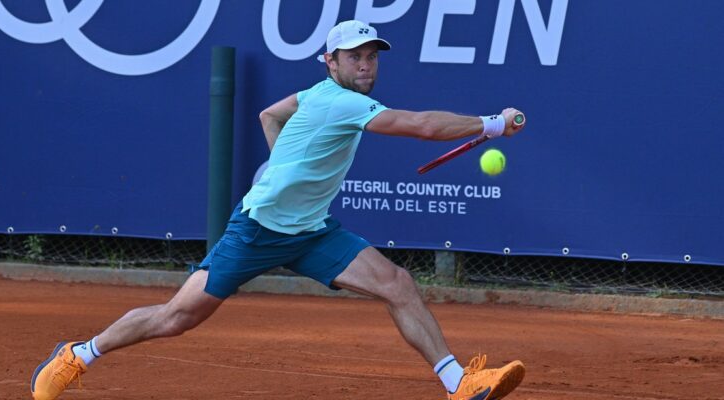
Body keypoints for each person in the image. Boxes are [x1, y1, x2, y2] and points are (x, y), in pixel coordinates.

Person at [31, 20, 526, 400]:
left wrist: (276, 161)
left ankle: (459, 383)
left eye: (372, 56)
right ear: (330, 61)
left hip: (311, 231)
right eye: (355, 57)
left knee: (396, 283)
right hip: (257, 230)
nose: (366, 65)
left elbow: (270, 113)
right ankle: (79, 353)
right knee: (176, 318)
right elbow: (419, 125)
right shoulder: (339, 101)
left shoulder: (314, 94)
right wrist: (492, 124)